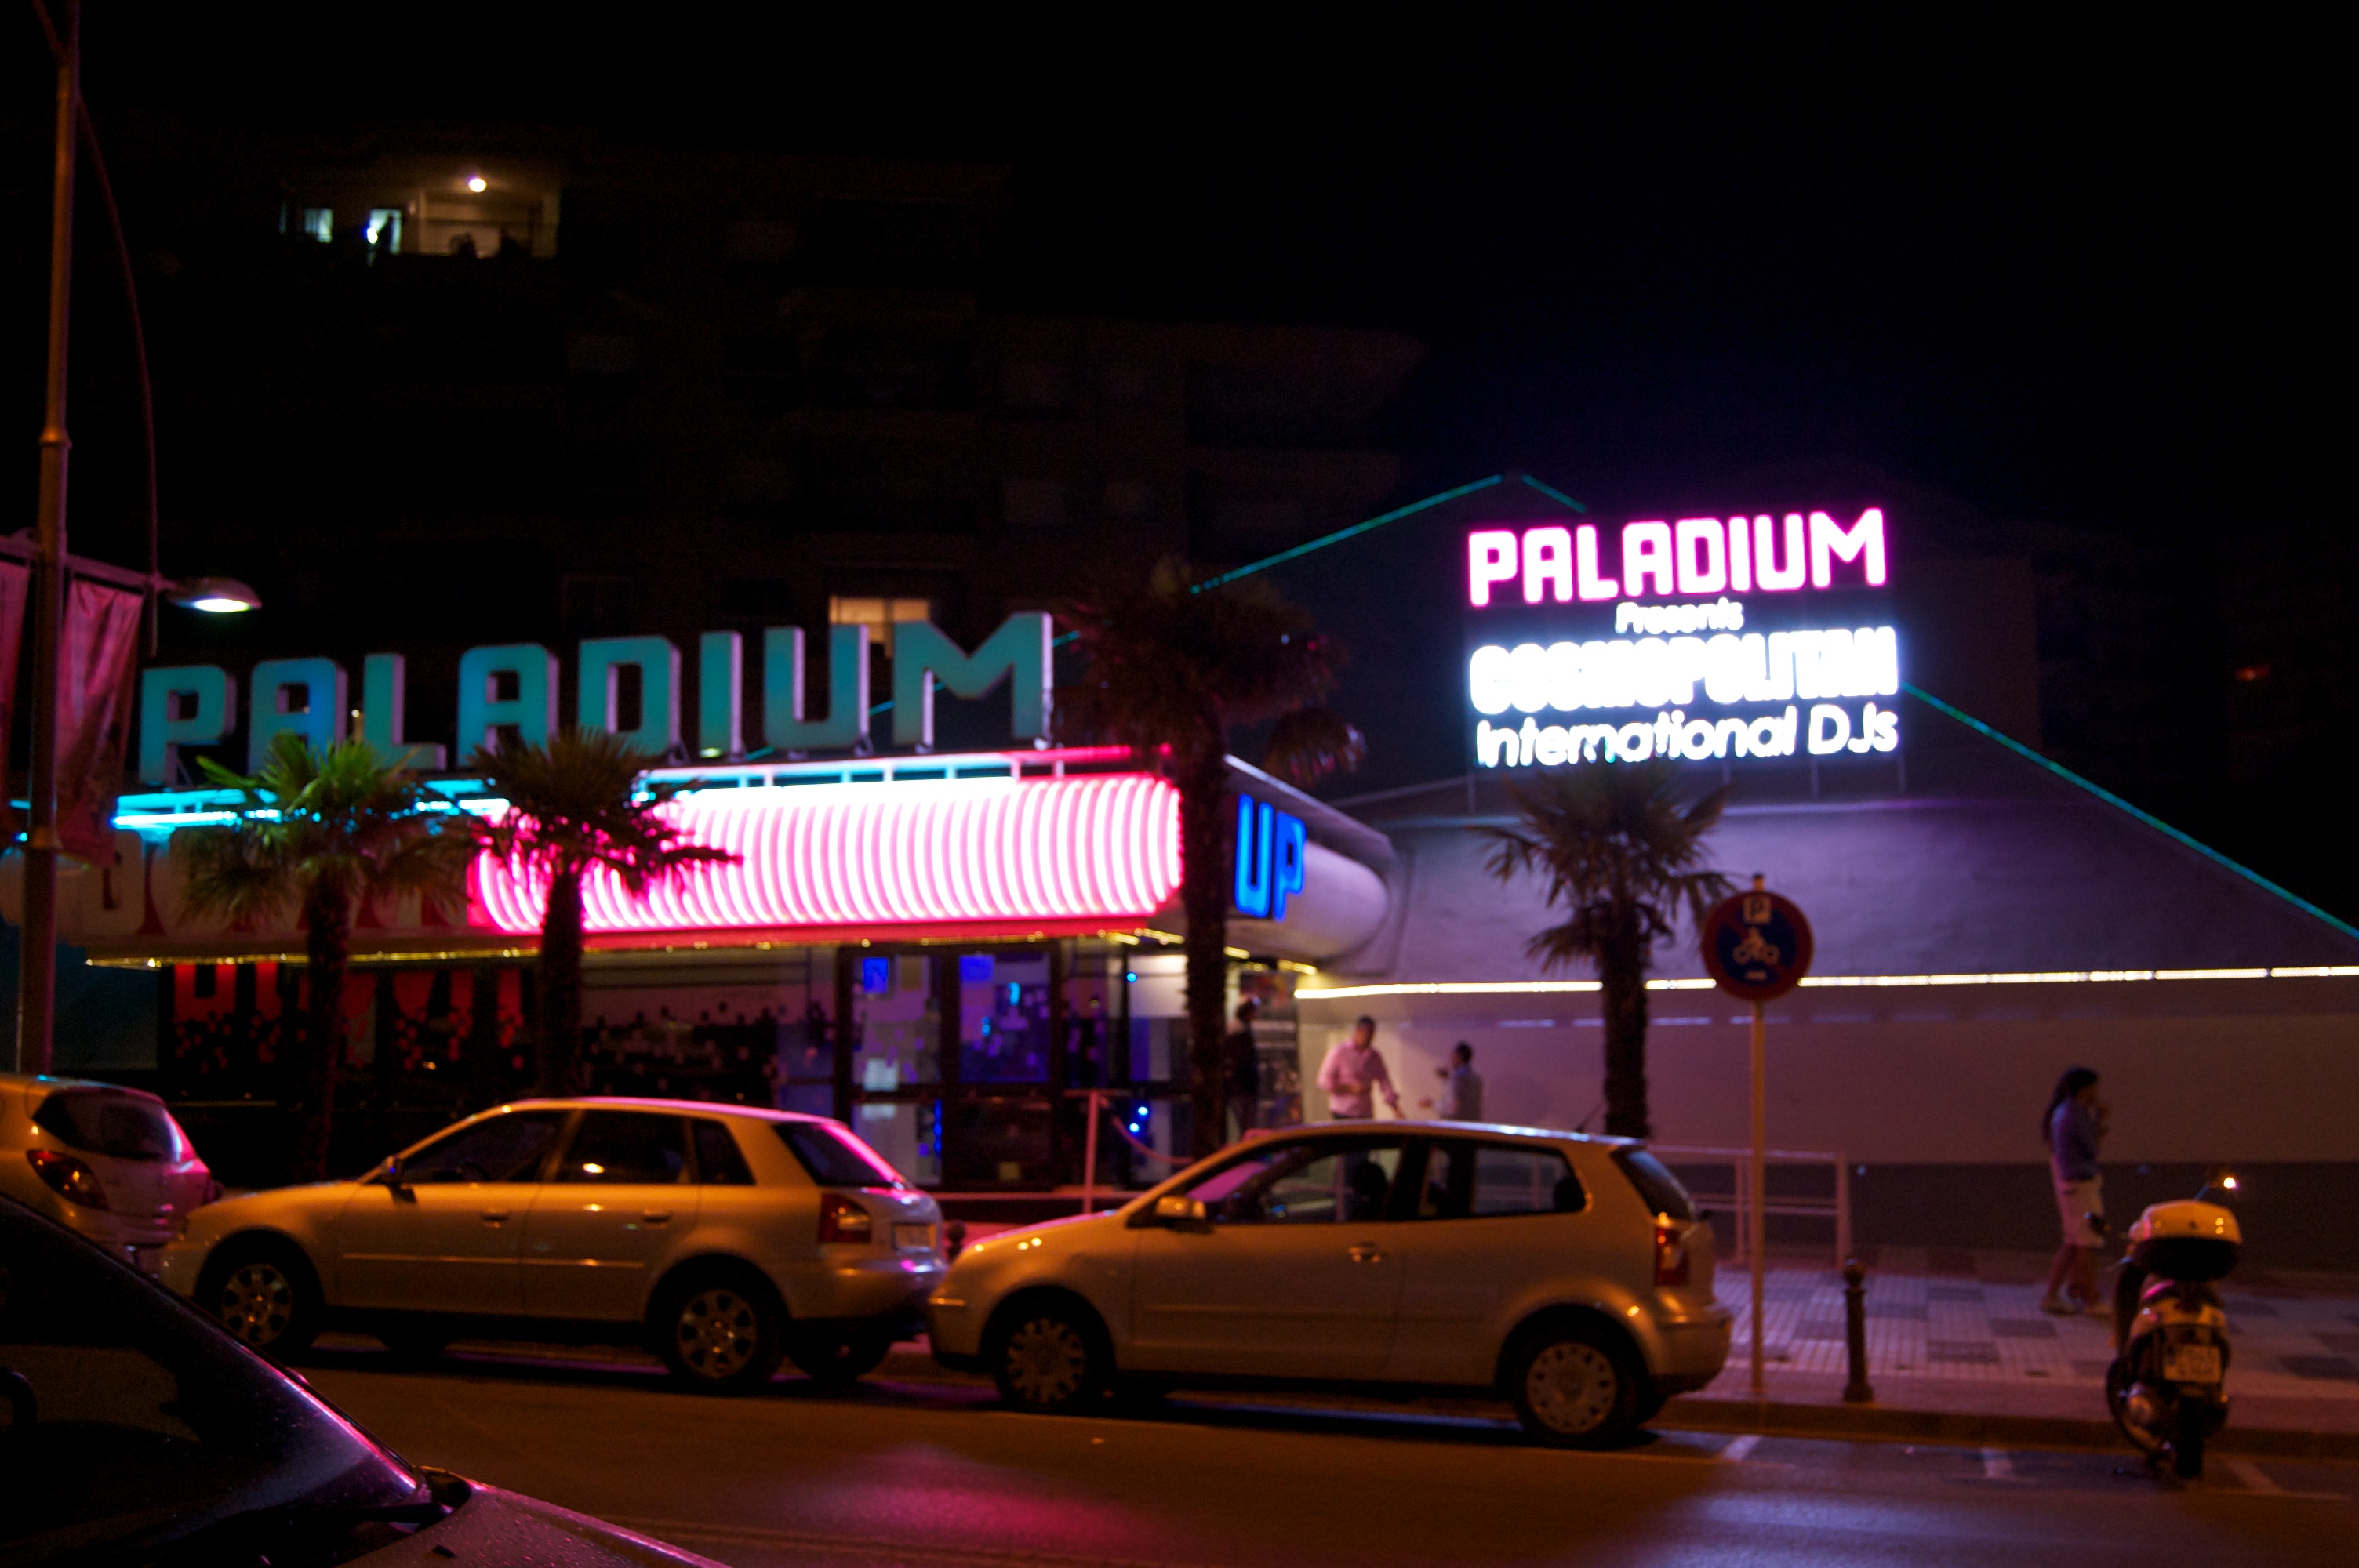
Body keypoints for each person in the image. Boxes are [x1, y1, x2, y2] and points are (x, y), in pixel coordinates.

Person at [2041, 1065, 2110, 1316]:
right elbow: (2092, 1150)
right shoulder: (2075, 1115)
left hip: (2072, 1185)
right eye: (2094, 1087)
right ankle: (2091, 1300)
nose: (2097, 1092)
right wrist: (2101, 1122)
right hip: (2081, 1186)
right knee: (2087, 1242)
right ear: (2084, 1088)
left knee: (2072, 1243)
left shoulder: (2062, 1112)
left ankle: (2053, 1295)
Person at [1317, 1016, 1401, 1121]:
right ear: (1358, 1031)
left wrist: (1396, 1111)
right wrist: (1350, 1089)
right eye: (1366, 1034)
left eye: (1371, 1035)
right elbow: (1324, 1081)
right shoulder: (1339, 1052)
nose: (1369, 1038)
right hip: (1343, 1112)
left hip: (1365, 1113)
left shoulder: (1374, 1056)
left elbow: (1385, 1083)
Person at [1222, 999, 1260, 1137]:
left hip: (1242, 1086)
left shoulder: (1239, 1030)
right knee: (1246, 1122)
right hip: (1242, 1086)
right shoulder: (1239, 1033)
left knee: (1245, 1122)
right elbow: (1242, 1059)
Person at [1428, 1041, 1484, 1121]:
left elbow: (1451, 1108)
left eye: (1453, 1055)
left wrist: (1432, 1104)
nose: (1451, 1059)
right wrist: (1447, 1078)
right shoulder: (1477, 1076)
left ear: (1458, 1057)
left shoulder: (1457, 1077)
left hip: (1456, 1124)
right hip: (1473, 1123)